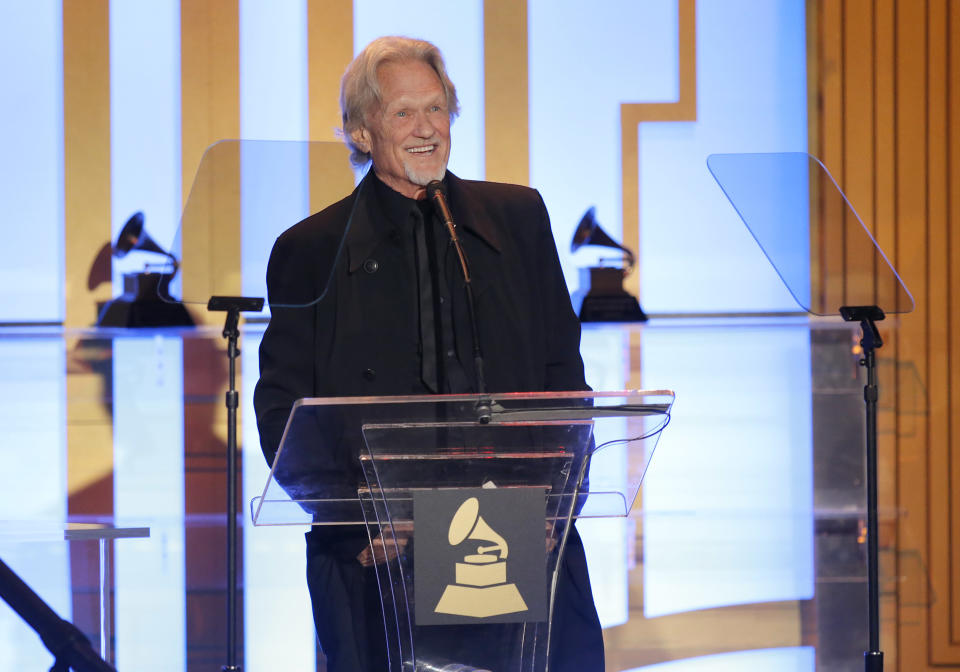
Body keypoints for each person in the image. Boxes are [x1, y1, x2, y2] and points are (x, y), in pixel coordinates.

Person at [253, 35, 604, 672]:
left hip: (515, 537)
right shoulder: (310, 249)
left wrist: (560, 504)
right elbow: (283, 411)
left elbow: (564, 379)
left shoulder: (517, 219)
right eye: (403, 113)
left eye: (437, 109)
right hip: (381, 555)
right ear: (361, 132)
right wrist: (359, 523)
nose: (426, 130)